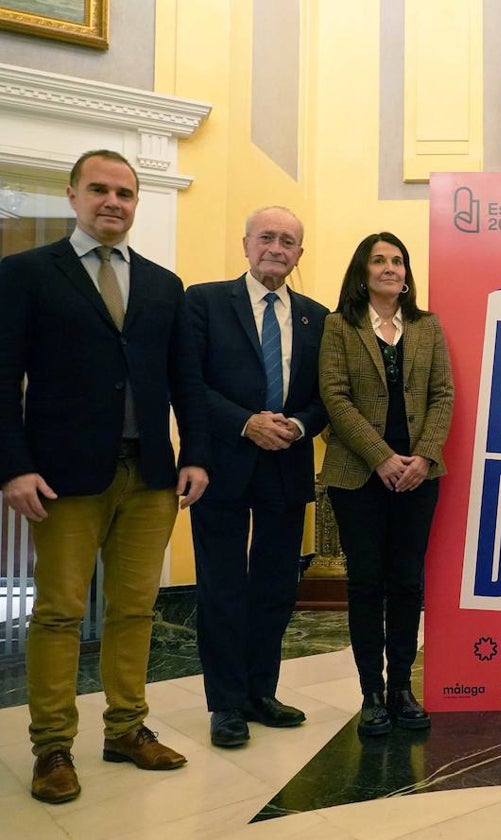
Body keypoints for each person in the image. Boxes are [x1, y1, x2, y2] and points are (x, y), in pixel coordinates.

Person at [0, 149, 209, 803]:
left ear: (136, 202)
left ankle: (126, 728)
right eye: (99, 189)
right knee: (60, 614)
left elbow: (184, 383)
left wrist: (195, 454)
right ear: (72, 196)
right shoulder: (27, 274)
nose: (112, 201)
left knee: (136, 610)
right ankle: (52, 747)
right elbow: (3, 380)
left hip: (149, 476)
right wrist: (14, 467)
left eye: (125, 192)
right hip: (62, 477)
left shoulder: (161, 285)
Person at [185, 207, 329, 748]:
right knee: (221, 587)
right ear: (245, 243)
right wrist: (245, 423)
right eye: (267, 237)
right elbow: (190, 383)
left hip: (286, 467)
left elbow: (325, 398)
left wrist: (296, 424)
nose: (276, 247)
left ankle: (259, 692)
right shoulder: (204, 301)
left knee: (274, 587)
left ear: (299, 254)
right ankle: (225, 705)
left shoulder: (319, 317)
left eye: (288, 241)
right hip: (221, 465)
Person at [319, 232, 454, 735]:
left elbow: (442, 395)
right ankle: (371, 694)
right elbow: (334, 398)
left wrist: (422, 457)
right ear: (363, 271)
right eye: (379, 261)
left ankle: (401, 686)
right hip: (359, 476)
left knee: (407, 582)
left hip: (419, 476)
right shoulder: (339, 327)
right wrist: (381, 458)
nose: (390, 268)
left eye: (397, 261)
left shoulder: (427, 327)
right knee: (365, 583)